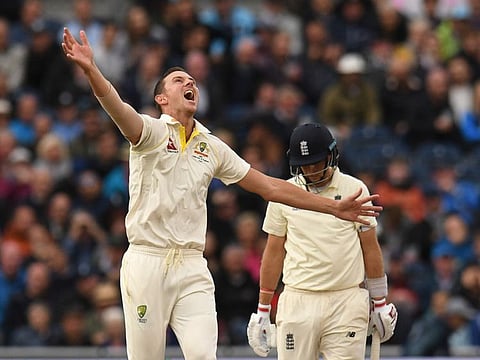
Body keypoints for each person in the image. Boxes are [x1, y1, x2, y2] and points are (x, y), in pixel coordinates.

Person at [61, 28, 382, 360]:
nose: (190, 84)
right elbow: (116, 106)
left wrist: (333, 207)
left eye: (192, 81)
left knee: (204, 357)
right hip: (147, 261)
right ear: (161, 99)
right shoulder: (150, 133)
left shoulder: (209, 145)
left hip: (192, 265)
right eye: (178, 81)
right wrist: (91, 70)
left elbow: (270, 187)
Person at [247, 123, 398, 359]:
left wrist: (379, 301)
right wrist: (263, 309)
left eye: (316, 163)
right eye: (304, 166)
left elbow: (370, 248)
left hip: (346, 301)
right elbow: (274, 252)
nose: (311, 171)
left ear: (332, 155)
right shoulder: (283, 194)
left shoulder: (355, 189)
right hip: (298, 299)